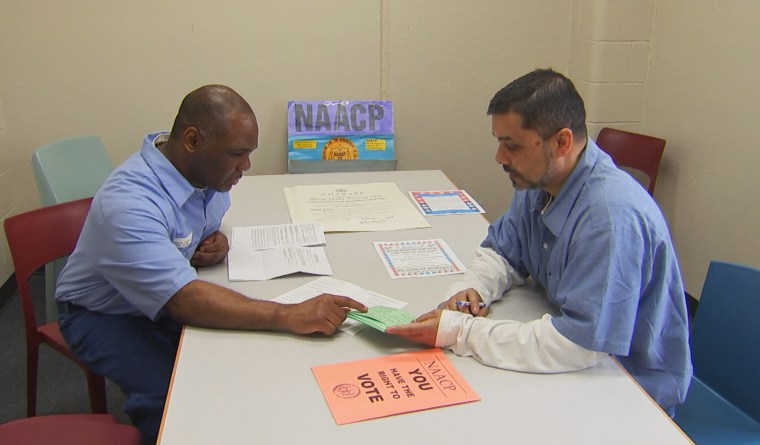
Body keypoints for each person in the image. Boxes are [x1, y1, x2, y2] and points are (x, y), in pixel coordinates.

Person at [55, 85, 366, 444]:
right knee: (169, 396)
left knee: (234, 362)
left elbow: (200, 223)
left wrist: (213, 241)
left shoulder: (203, 171)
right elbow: (184, 300)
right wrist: (288, 314)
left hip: (163, 294)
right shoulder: (129, 203)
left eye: (249, 153)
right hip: (104, 314)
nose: (246, 167)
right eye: (237, 153)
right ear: (192, 140)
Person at [386, 69, 692, 415]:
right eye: (499, 142)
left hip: (628, 389)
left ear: (561, 142)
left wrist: (460, 332)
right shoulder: (540, 181)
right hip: (579, 362)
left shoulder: (610, 218)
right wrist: (475, 287)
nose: (500, 158)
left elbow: (577, 345)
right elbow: (503, 251)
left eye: (512, 145)